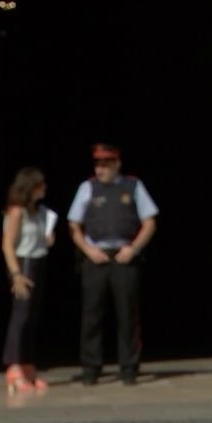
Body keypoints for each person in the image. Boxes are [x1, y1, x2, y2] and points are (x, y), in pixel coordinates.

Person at [67, 143, 158, 386]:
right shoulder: (87, 188)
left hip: (124, 254)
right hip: (96, 256)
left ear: (117, 164)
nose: (100, 169)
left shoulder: (133, 186)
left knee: (127, 313)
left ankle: (128, 367)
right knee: (92, 314)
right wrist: (88, 250)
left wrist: (134, 248)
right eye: (97, 164)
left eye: (106, 164)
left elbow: (149, 222)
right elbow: (74, 225)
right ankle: (90, 367)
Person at [1, 166, 56, 396]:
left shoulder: (40, 211)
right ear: (30, 187)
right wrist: (16, 274)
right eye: (40, 185)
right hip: (22, 263)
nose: (44, 189)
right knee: (21, 315)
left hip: (38, 261)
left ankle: (26, 363)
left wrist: (49, 238)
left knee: (32, 315)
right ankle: (13, 366)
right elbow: (7, 244)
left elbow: (43, 240)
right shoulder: (17, 211)